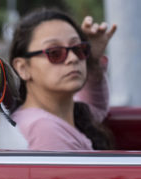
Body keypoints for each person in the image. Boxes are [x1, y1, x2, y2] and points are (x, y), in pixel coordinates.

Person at [9, 8, 117, 150]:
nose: (73, 58)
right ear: (22, 68)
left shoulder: (59, 116)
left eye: (78, 49)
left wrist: (93, 58)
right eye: (55, 53)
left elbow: (94, 107)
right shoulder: (43, 130)